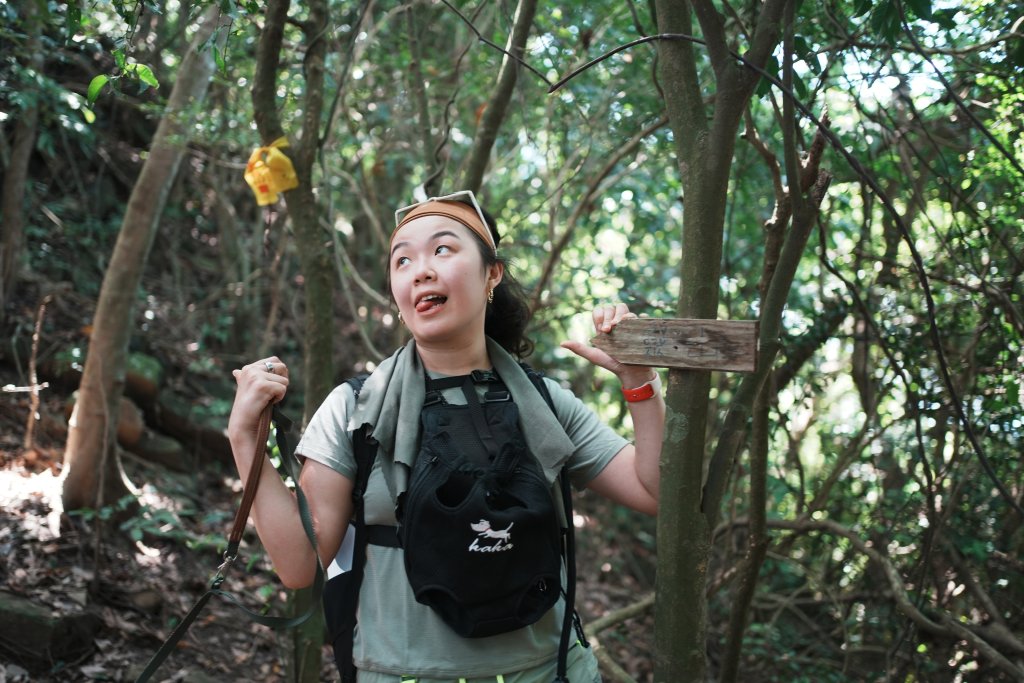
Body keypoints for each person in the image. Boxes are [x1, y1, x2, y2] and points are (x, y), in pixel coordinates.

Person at [227, 191, 665, 682]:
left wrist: (639, 381)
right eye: (403, 260)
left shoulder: (544, 402)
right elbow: (300, 564)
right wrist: (245, 439)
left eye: (442, 249)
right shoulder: (355, 408)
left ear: (491, 273)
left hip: (549, 671)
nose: (421, 270)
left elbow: (656, 491)